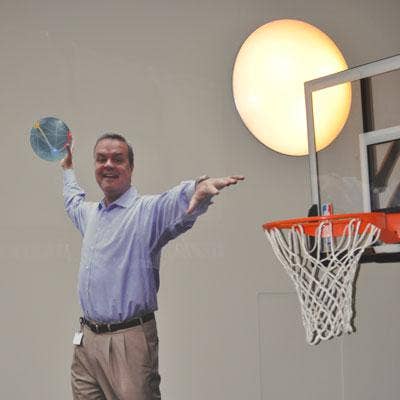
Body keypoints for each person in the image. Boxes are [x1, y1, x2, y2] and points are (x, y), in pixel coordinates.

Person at [61, 132, 244, 400]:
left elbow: (171, 202)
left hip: (128, 341)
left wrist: (197, 188)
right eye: (101, 159)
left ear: (131, 167)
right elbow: (72, 202)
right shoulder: (90, 215)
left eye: (117, 159)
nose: (108, 164)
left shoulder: (145, 211)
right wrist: (67, 169)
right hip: (87, 342)